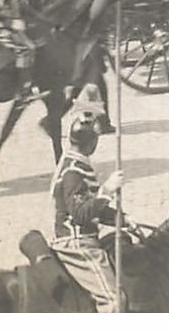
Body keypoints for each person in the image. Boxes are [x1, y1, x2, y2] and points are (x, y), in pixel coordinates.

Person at [50, 91, 129, 311]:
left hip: (83, 236)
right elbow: (81, 213)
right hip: (76, 243)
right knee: (114, 301)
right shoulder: (73, 171)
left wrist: (121, 219)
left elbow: (92, 206)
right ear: (92, 143)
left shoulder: (74, 162)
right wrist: (107, 190)